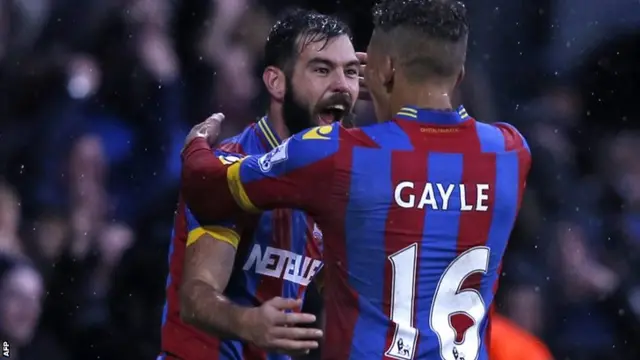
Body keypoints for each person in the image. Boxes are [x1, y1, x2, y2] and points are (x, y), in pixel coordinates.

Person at [181, 0, 532, 358]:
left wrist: (196, 144)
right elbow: (442, 144)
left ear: (384, 69)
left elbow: (203, 182)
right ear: (459, 76)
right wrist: (397, 80)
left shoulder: (337, 155)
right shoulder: (511, 152)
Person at [159, 8, 360, 360]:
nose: (342, 85)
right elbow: (195, 296)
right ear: (276, 82)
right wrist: (249, 323)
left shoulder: (338, 178)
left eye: (352, 72)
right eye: (322, 69)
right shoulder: (230, 169)